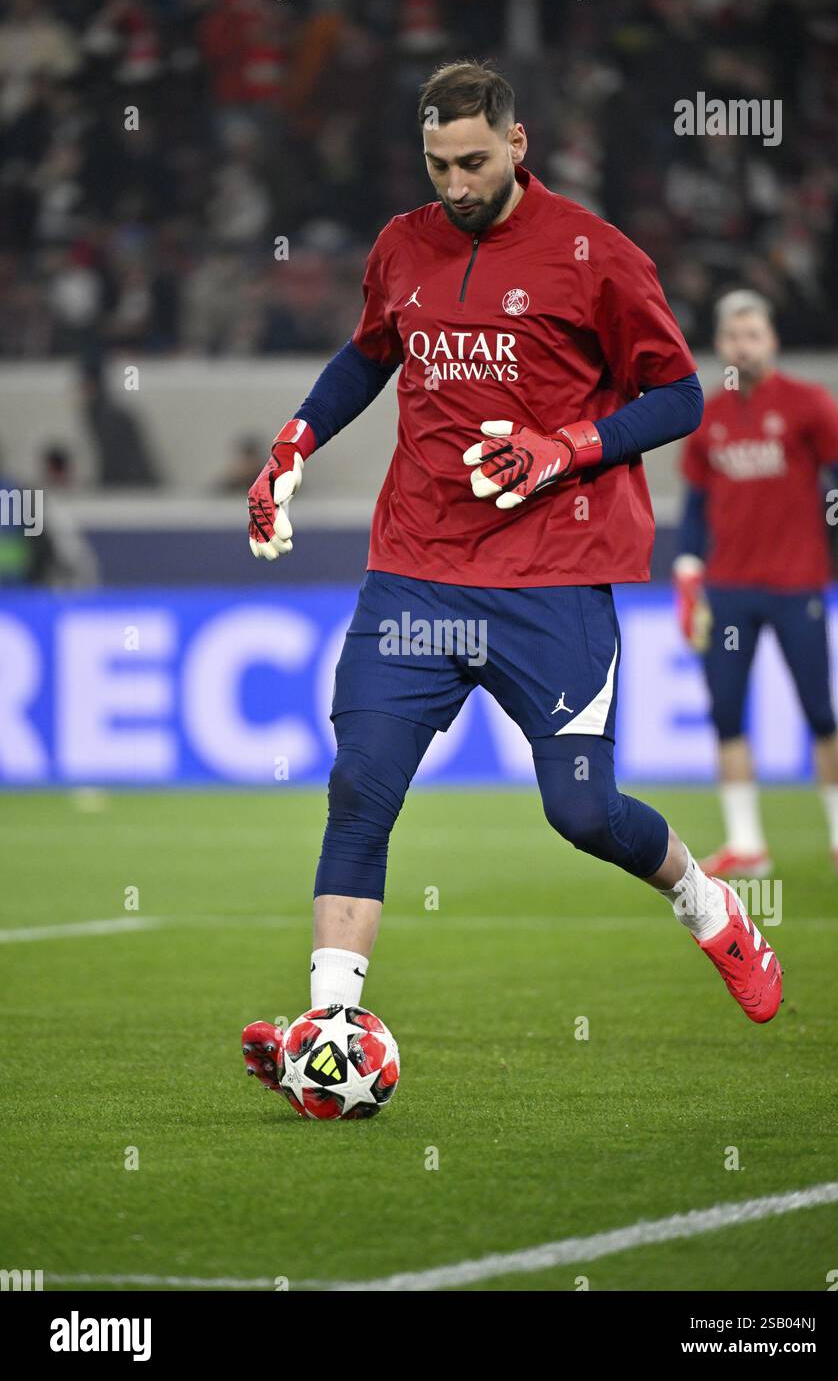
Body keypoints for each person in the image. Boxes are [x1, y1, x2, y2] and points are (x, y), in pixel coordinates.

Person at [242, 61, 783, 1108]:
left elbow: (678, 395)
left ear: (517, 142)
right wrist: (294, 442)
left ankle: (708, 907)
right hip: (418, 570)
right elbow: (368, 358)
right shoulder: (402, 244)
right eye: (438, 164)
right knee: (359, 786)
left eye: (474, 162)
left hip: (552, 576)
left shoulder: (596, 256)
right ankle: (333, 1024)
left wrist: (565, 446)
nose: (455, 184)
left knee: (579, 812)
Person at [674, 290, 838, 881]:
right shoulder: (708, 414)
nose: (742, 346)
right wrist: (686, 569)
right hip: (729, 588)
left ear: (772, 339)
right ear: (722, 344)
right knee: (727, 712)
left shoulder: (808, 403)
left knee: (819, 710)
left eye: (752, 335)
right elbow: (697, 503)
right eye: (732, 337)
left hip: (796, 584)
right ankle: (747, 843)